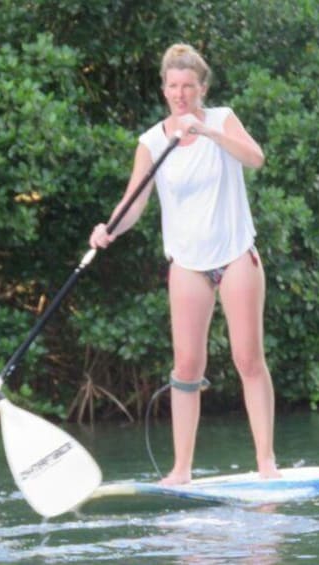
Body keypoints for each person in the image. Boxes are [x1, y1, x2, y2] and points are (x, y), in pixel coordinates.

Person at [89, 43, 280, 485]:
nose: (180, 95)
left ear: (202, 89)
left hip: (235, 254)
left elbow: (255, 158)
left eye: (188, 87)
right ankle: (180, 470)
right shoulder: (153, 141)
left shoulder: (221, 118)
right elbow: (133, 203)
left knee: (247, 358)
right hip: (188, 263)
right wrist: (109, 229)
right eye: (173, 87)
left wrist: (208, 131)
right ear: (164, 89)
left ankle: (266, 461)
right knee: (186, 367)